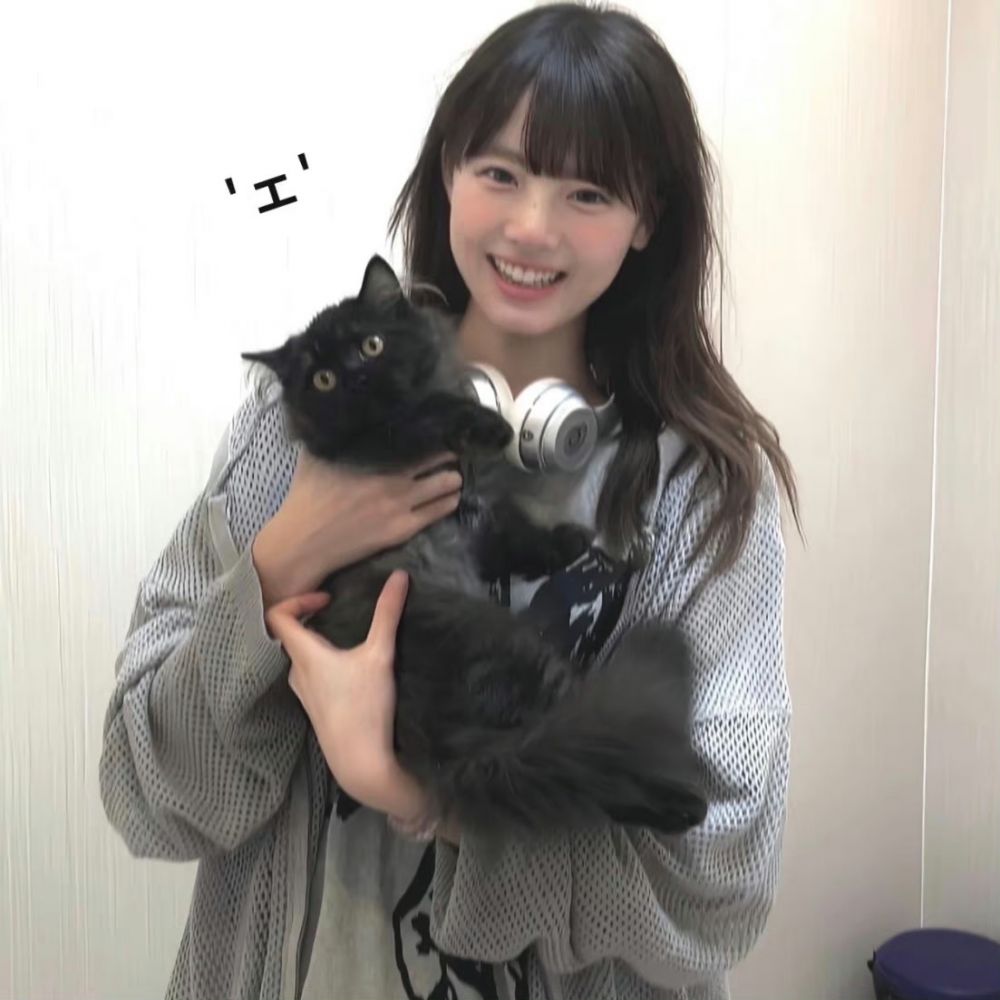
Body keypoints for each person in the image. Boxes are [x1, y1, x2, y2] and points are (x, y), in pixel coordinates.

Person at [99, 3, 800, 999]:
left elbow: (718, 882)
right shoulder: (295, 427)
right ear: (448, 173)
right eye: (501, 173)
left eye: (588, 191)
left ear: (648, 218)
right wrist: (280, 561)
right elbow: (150, 794)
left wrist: (419, 795)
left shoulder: (702, 491)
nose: (531, 227)